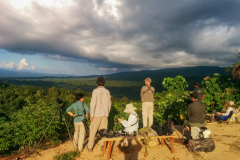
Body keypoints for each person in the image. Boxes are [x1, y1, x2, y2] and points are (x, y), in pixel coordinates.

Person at [87, 77, 111, 152]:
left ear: (97, 83)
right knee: (103, 131)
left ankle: (90, 147)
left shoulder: (95, 91)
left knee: (93, 130)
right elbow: (109, 104)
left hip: (97, 114)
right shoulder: (107, 91)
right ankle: (102, 146)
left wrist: (91, 115)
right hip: (105, 114)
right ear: (104, 83)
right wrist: (108, 112)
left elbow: (93, 103)